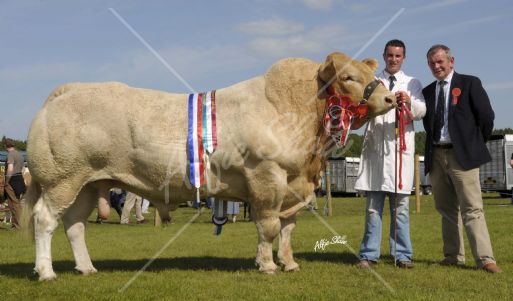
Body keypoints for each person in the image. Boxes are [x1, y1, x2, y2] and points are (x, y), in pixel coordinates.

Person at [422, 44, 501, 273]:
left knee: (472, 209)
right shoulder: (428, 91)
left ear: (451, 61)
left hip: (462, 156)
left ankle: (486, 259)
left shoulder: (470, 83)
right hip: (436, 154)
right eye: (432, 63)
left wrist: (473, 144)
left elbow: (486, 117)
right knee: (446, 210)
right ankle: (453, 256)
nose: (436, 66)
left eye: (440, 61)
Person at [355, 39, 426, 269]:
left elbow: (421, 111)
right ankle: (369, 255)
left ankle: (402, 255)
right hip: (376, 152)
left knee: (401, 210)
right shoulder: (374, 81)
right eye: (390, 55)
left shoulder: (412, 82)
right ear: (384, 56)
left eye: (398, 56)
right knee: (373, 209)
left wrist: (408, 101)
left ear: (403, 58)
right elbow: (361, 108)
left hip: (399, 152)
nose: (393, 59)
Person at [2, 138, 26, 230]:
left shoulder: (10, 155)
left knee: (15, 204)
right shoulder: (20, 155)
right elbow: (23, 169)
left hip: (12, 180)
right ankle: (15, 225)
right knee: (13, 204)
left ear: (5, 146)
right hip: (20, 179)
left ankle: (18, 226)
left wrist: (7, 181)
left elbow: (10, 169)